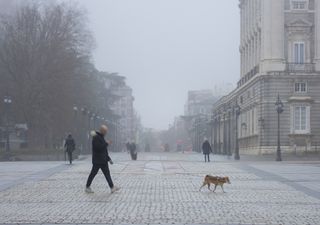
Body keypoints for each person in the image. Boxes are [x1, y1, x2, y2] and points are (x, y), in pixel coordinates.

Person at [85, 125, 120, 194]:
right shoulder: (96, 138)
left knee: (107, 174)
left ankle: (112, 187)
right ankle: (87, 187)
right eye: (105, 131)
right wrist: (106, 143)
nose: (106, 133)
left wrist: (109, 159)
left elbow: (104, 150)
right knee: (93, 174)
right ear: (102, 131)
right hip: (97, 161)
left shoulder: (101, 137)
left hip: (103, 160)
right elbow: (99, 148)